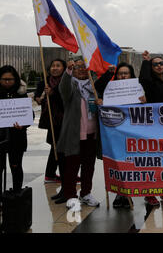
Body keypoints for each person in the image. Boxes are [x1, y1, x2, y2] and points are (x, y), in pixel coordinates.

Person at [95, 62, 146, 209]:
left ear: (131, 75)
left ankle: (128, 192)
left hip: (132, 132)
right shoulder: (110, 89)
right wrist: (108, 74)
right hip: (115, 132)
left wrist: (144, 102)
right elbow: (98, 86)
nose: (123, 76)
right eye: (120, 73)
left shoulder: (138, 88)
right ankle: (121, 194)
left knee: (129, 163)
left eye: (126, 73)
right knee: (118, 163)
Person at [56, 57, 102, 212]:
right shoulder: (71, 86)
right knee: (72, 166)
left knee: (89, 166)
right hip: (75, 135)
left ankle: (86, 193)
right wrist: (67, 71)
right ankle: (71, 196)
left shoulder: (94, 87)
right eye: (78, 67)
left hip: (92, 134)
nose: (82, 69)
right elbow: (64, 89)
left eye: (85, 67)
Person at [139, 51, 163, 206]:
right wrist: (146, 62)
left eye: (161, 63)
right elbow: (144, 79)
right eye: (155, 64)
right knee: (153, 160)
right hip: (153, 127)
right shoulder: (149, 82)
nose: (159, 66)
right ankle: (150, 192)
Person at [34, 59, 67, 191]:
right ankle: (54, 174)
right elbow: (37, 96)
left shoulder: (67, 81)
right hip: (52, 120)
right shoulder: (45, 82)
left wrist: (54, 94)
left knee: (59, 147)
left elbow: (66, 98)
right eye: (53, 66)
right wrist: (39, 98)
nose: (55, 68)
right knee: (56, 146)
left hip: (65, 118)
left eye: (58, 66)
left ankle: (52, 174)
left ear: (63, 68)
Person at [0, 65, 30, 194]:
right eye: (4, 79)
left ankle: (17, 194)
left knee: (16, 166)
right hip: (0, 138)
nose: (7, 82)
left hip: (17, 137)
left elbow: (29, 114)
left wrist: (23, 124)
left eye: (10, 79)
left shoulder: (21, 93)